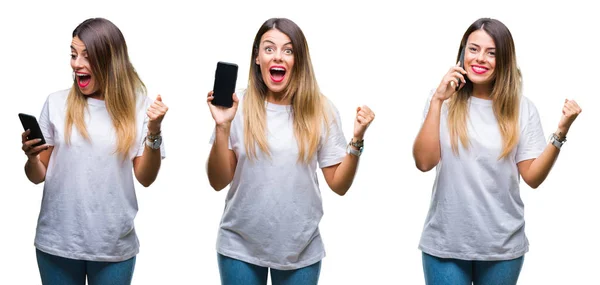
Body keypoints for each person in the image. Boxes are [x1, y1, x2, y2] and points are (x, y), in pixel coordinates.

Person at [412, 18, 581, 285]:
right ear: (462, 53)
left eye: (492, 53)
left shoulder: (522, 109)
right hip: (446, 243)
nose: (480, 58)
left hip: (502, 247)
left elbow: (532, 177)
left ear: (504, 60)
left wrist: (560, 133)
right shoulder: (442, 102)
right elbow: (423, 162)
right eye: (473, 49)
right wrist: (437, 101)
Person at [206, 17, 375, 285]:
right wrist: (222, 127)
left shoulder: (321, 109)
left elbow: (339, 185)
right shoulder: (239, 107)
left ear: (299, 60)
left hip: (300, 248)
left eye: (288, 50)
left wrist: (356, 141)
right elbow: (217, 181)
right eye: (269, 48)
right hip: (239, 246)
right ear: (257, 58)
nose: (278, 57)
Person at [20, 17, 167, 285]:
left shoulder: (139, 107)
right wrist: (31, 157)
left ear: (110, 59)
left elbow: (145, 177)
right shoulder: (56, 102)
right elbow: (37, 175)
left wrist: (154, 132)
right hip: (57, 243)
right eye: (73, 55)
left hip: (113, 246)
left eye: (86, 56)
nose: (77, 64)